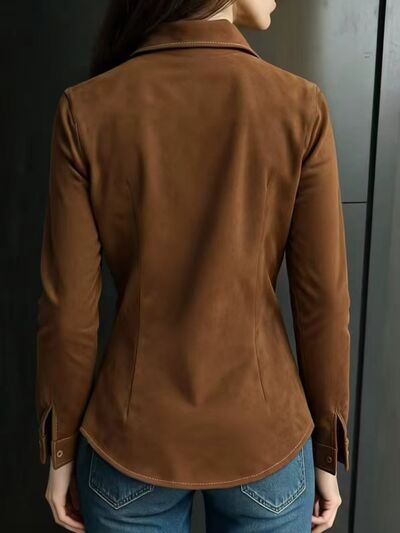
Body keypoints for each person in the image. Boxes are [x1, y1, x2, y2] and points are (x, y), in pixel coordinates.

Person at [35, 0, 351, 531]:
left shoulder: (87, 108)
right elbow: (323, 305)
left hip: (131, 439)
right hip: (265, 440)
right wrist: (327, 450)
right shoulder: (299, 107)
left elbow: (67, 310)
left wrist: (61, 449)